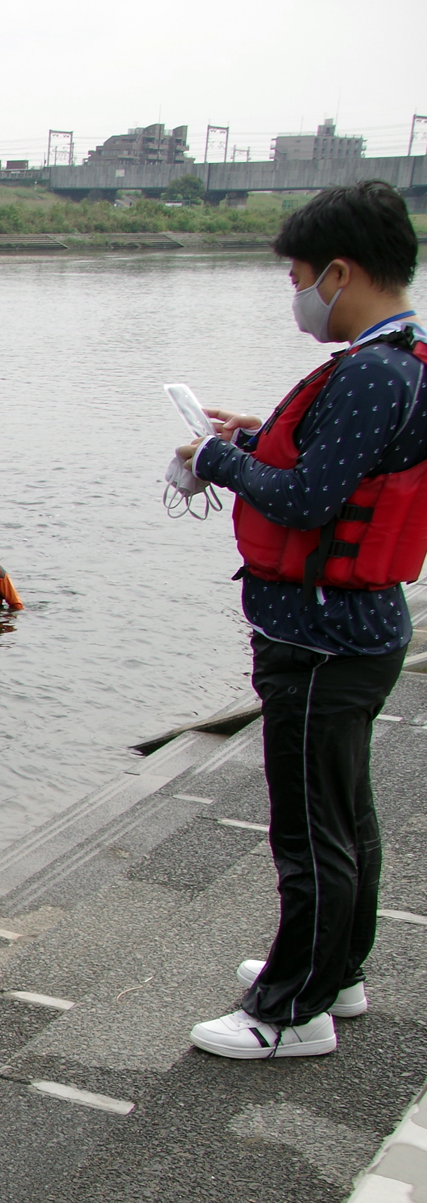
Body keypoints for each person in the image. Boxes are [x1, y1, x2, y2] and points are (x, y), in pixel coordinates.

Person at [175, 181, 425, 1060]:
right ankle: (336, 973)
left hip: (321, 642)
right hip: (355, 631)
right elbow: (336, 470)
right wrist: (254, 436)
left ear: (341, 271)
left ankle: (289, 1014)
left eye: (298, 276)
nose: (296, 294)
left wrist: (214, 458)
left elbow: (311, 501)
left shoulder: (369, 372)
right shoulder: (405, 358)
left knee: (309, 829)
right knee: (346, 814)